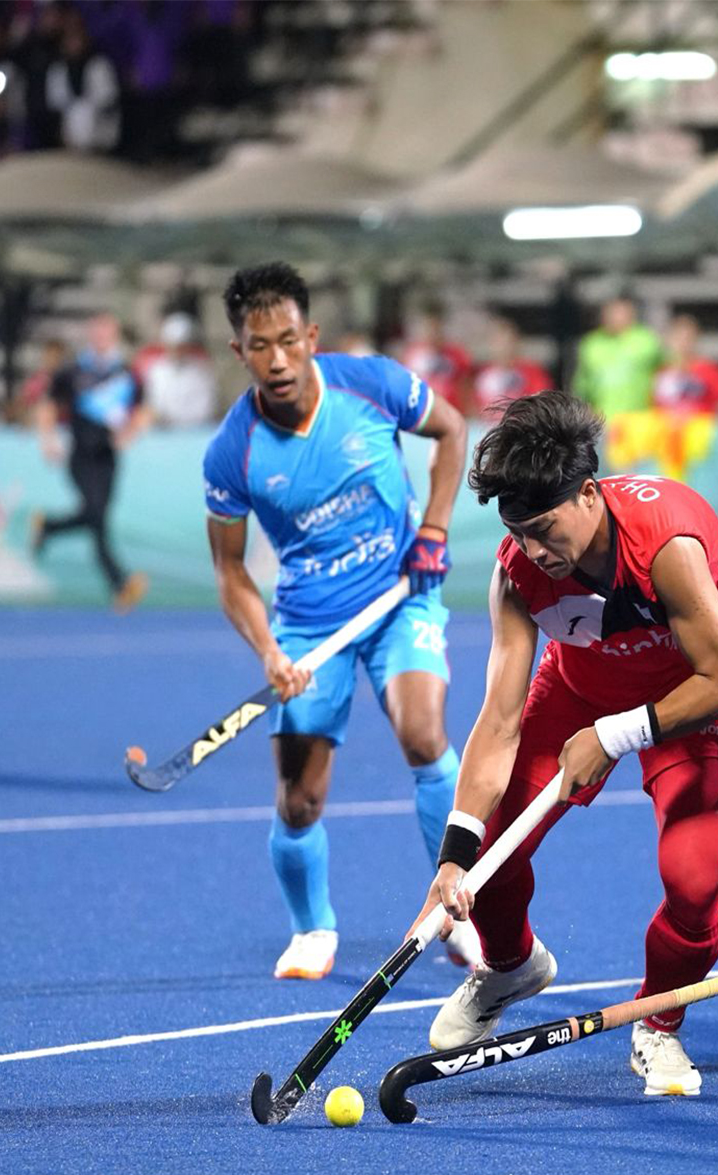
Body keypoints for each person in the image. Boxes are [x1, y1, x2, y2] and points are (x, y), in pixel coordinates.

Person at [409, 391, 718, 1097]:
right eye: (518, 531)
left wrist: (616, 733)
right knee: (492, 858)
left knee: (694, 882)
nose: (536, 549)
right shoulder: (517, 573)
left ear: (590, 493)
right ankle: (510, 966)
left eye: (544, 527)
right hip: (577, 693)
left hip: (691, 700)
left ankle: (657, 1026)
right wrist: (454, 857)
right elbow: (499, 719)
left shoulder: (666, 546)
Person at [202, 261, 475, 980]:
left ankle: (454, 909)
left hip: (400, 597)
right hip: (308, 625)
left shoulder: (370, 383)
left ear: (311, 334)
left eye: (290, 340)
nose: (279, 359)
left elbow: (452, 431)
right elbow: (230, 572)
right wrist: (268, 651)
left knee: (424, 736)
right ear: (239, 352)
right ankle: (312, 930)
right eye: (260, 345)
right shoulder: (234, 451)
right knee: (299, 798)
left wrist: (436, 530)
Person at [32, 313, 149, 612]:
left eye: (107, 334)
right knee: (96, 514)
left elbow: (142, 409)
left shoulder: (125, 372)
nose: (101, 339)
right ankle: (120, 582)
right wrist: (47, 439)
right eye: (97, 333)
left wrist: (130, 432)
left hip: (107, 457)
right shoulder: (72, 372)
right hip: (81, 456)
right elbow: (48, 404)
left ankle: (50, 527)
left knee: (97, 518)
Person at [650, 313, 718, 479]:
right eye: (678, 338)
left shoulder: (708, 369)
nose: (683, 343)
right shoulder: (660, 372)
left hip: (699, 448)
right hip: (666, 448)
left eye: (688, 338)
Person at [572, 297, 663, 420]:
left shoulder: (646, 340)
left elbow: (666, 370)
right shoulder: (591, 344)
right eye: (611, 313)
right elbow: (582, 385)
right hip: (602, 420)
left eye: (620, 313)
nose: (615, 317)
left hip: (638, 421)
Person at [140, 312, 217, 429]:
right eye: (173, 345)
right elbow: (153, 405)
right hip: (164, 435)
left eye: (182, 345)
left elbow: (205, 410)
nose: (177, 350)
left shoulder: (201, 373)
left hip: (194, 433)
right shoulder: (157, 372)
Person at [398, 303, 473, 417]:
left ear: (442, 326)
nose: (432, 332)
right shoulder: (411, 355)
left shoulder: (456, 355)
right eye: (428, 326)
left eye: (435, 327)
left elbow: (465, 389)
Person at [472, 314, 551, 418]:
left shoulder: (532, 373)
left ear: (516, 342)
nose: (502, 347)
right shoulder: (482, 376)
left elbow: (543, 404)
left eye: (507, 341)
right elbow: (474, 410)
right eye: (497, 342)